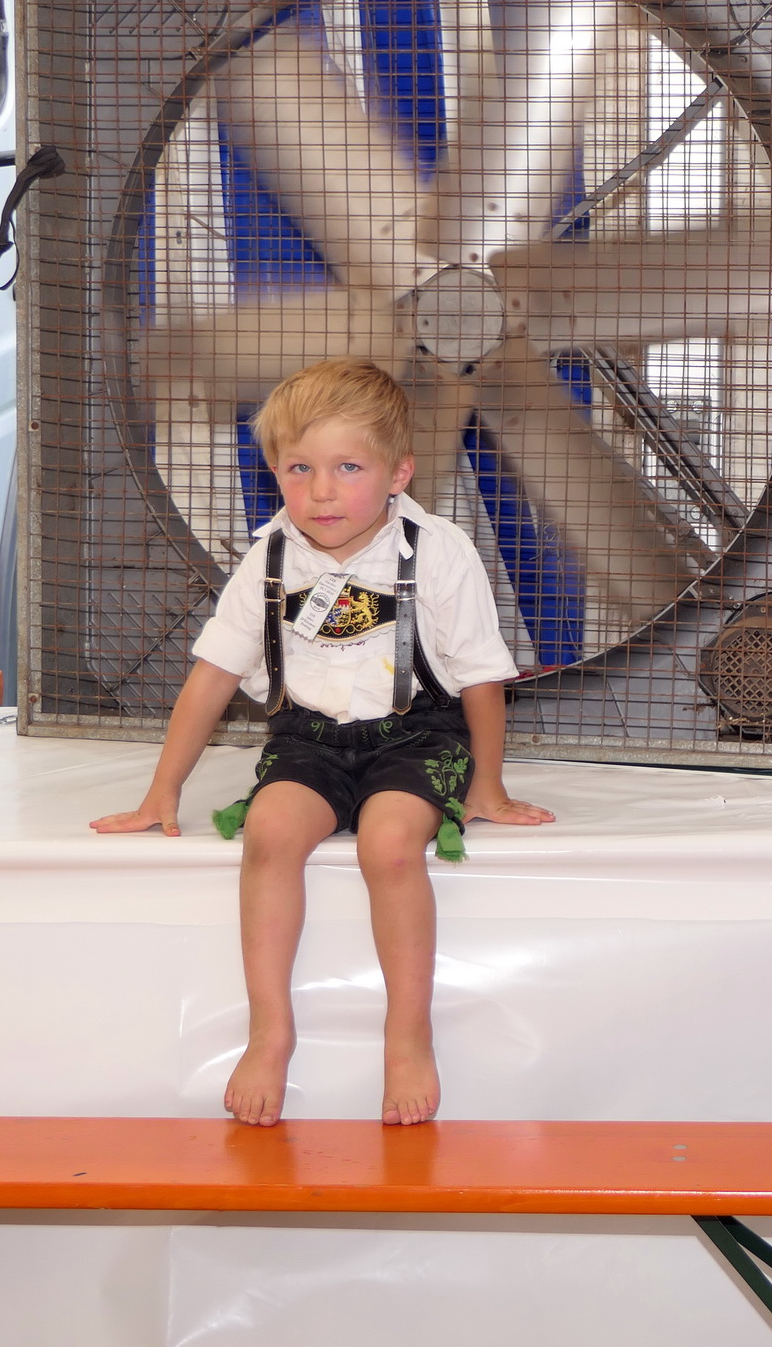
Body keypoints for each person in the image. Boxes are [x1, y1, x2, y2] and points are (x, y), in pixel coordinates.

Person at [91, 358, 554, 1128]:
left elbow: (480, 678)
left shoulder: (437, 552)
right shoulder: (271, 556)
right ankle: (270, 1030)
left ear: (398, 473)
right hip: (308, 737)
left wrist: (489, 787)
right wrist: (161, 791)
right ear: (274, 470)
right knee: (270, 834)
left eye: (348, 468)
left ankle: (407, 1033)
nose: (322, 492)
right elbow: (212, 676)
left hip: (417, 734)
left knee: (389, 844)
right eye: (299, 469)